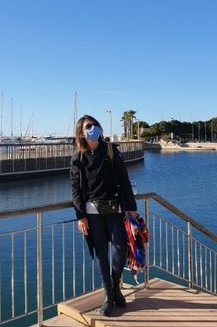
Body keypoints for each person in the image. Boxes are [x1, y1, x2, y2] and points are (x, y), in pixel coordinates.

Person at [70, 115, 138, 316]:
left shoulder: (110, 151)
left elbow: (124, 180)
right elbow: (75, 189)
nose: (93, 128)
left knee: (120, 249)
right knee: (101, 253)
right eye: (88, 126)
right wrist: (80, 216)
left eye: (95, 125)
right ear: (81, 133)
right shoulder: (78, 158)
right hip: (92, 213)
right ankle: (109, 295)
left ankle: (115, 285)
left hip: (115, 209)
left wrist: (131, 207)